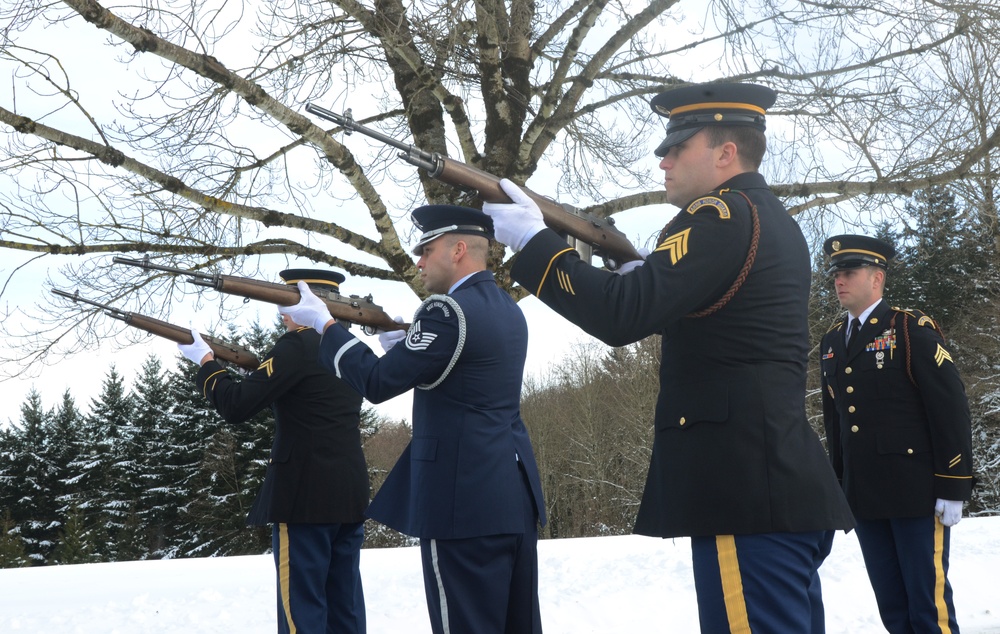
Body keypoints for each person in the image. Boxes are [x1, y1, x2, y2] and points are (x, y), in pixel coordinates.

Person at [481, 82, 855, 632]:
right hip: (770, 484)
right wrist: (646, 279)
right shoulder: (765, 216)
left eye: (679, 145)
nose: (663, 157)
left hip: (742, 491)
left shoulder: (717, 215)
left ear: (726, 152)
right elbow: (723, 325)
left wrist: (535, 244)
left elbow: (619, 317)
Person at [278, 205, 547, 634]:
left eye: (427, 249)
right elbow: (461, 373)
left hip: (460, 504)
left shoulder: (446, 311)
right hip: (511, 498)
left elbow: (378, 383)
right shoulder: (506, 308)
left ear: (458, 250)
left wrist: (326, 326)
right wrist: (401, 344)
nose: (419, 261)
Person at [177, 269, 369, 634]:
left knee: (303, 607)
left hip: (304, 494)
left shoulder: (296, 347)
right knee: (344, 605)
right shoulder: (348, 347)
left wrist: (206, 364)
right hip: (350, 491)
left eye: (285, 303)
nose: (281, 313)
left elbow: (236, 406)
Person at [820, 235, 975, 633]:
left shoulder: (908, 329)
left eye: (849, 272)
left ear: (877, 278)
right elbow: (836, 422)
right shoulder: (833, 341)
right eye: (836, 274)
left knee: (928, 608)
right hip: (865, 496)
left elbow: (950, 408)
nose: (839, 280)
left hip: (916, 493)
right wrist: (838, 488)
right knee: (893, 607)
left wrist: (954, 483)